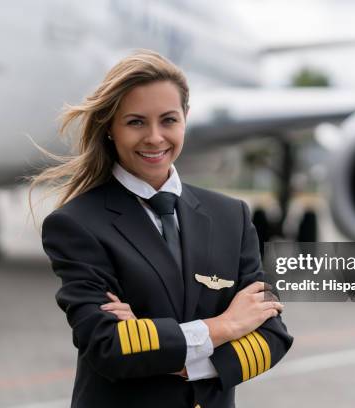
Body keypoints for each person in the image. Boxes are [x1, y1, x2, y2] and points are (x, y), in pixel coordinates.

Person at [32, 49, 293, 408]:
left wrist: (177, 359)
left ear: (185, 118)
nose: (155, 138)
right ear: (111, 128)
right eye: (136, 122)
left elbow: (273, 335)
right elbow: (108, 346)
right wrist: (225, 326)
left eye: (168, 120)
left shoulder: (231, 216)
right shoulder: (77, 224)